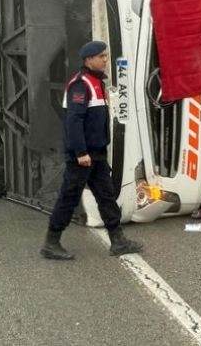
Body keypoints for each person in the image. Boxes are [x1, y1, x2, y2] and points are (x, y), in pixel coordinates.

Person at [40, 40, 144, 260]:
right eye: (101, 56)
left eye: (106, 56)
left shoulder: (96, 82)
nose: (105, 60)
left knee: (106, 196)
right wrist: (80, 152)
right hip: (82, 156)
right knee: (69, 198)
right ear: (89, 60)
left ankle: (118, 241)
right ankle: (51, 243)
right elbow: (74, 121)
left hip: (96, 154)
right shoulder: (81, 85)